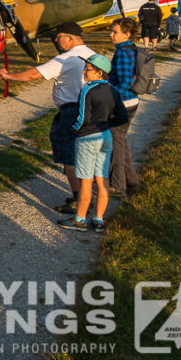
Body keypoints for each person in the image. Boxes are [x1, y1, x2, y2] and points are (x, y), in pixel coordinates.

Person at [0, 21, 95, 213]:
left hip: (71, 111)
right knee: (85, 154)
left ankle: (79, 200)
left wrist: (9, 77)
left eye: (59, 37)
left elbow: (34, 75)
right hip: (91, 109)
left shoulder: (67, 58)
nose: (56, 40)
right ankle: (86, 195)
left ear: (70, 38)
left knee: (68, 155)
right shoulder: (92, 54)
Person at [56, 54, 127, 232]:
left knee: (86, 181)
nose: (84, 72)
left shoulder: (88, 90)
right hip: (105, 137)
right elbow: (122, 116)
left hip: (87, 138)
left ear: (98, 72)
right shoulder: (114, 91)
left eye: (87, 69)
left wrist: (73, 130)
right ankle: (99, 220)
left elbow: (82, 118)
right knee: (102, 179)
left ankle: (80, 219)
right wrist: (106, 124)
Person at [107, 18, 141, 195]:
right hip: (131, 101)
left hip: (122, 103)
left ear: (127, 34)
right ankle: (132, 182)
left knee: (115, 144)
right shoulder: (130, 49)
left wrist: (108, 97)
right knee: (121, 141)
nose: (111, 35)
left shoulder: (121, 52)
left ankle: (118, 185)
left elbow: (125, 81)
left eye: (115, 32)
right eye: (112, 31)